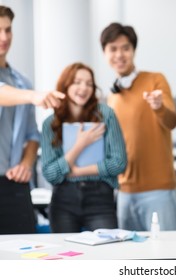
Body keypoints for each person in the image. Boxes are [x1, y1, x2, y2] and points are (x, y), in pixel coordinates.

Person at [100, 22, 176, 231]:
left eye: (125, 48)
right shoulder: (112, 96)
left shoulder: (155, 80)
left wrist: (159, 106)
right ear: (105, 53)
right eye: (113, 49)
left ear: (133, 51)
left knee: (168, 256)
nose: (120, 54)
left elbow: (172, 121)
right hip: (124, 191)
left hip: (158, 189)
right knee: (132, 256)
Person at [41, 62, 127, 233]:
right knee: (66, 256)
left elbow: (119, 162)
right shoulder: (50, 123)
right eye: (77, 82)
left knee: (107, 254)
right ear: (66, 85)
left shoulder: (106, 115)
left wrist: (76, 171)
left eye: (89, 84)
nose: (84, 88)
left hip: (100, 198)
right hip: (63, 201)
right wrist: (81, 144)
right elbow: (50, 174)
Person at [0, 5, 63, 234]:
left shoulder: (22, 81)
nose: (4, 37)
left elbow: (32, 134)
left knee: (24, 251)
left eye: (8, 30)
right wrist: (33, 96)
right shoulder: (26, 91)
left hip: (13, 184)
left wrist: (26, 163)